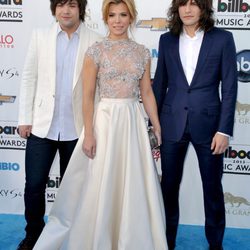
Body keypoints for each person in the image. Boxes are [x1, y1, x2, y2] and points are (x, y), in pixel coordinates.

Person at [33, 0, 168, 249]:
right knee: (102, 179)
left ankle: (131, 236)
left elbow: (146, 92)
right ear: (106, 18)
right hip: (105, 120)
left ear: (131, 17)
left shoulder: (142, 51)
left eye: (123, 15)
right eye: (112, 15)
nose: (117, 20)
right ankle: (101, 235)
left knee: (133, 180)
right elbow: (87, 96)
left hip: (132, 121)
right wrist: (89, 133)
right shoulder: (95, 50)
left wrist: (156, 124)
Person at [153, 0, 238, 249]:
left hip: (211, 126)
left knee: (212, 189)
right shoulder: (167, 40)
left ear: (204, 8)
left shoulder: (222, 39)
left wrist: (224, 130)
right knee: (168, 187)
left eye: (194, 4)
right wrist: (153, 125)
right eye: (182, 4)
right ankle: (165, 242)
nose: (187, 10)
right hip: (171, 124)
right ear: (176, 9)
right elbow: (159, 84)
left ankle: (215, 244)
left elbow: (230, 87)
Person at [17, 0, 101, 249]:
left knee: (74, 190)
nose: (66, 10)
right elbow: (29, 77)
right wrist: (25, 118)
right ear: (54, 9)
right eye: (61, 5)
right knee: (33, 185)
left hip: (78, 128)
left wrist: (93, 128)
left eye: (72, 5)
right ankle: (33, 234)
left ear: (80, 9)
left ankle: (72, 235)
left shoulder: (95, 40)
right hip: (42, 126)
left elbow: (97, 89)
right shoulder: (40, 36)